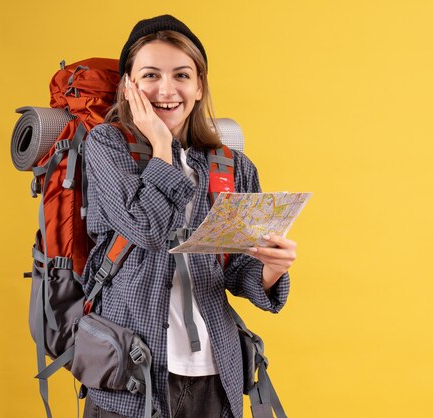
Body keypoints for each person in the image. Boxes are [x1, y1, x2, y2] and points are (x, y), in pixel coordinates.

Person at [81, 14, 296, 418]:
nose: (166, 89)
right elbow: (145, 228)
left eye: (182, 75)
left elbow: (233, 271)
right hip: (131, 373)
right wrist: (162, 148)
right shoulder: (107, 147)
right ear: (129, 86)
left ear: (199, 86)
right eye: (150, 75)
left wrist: (269, 269)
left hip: (217, 373)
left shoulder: (232, 167)